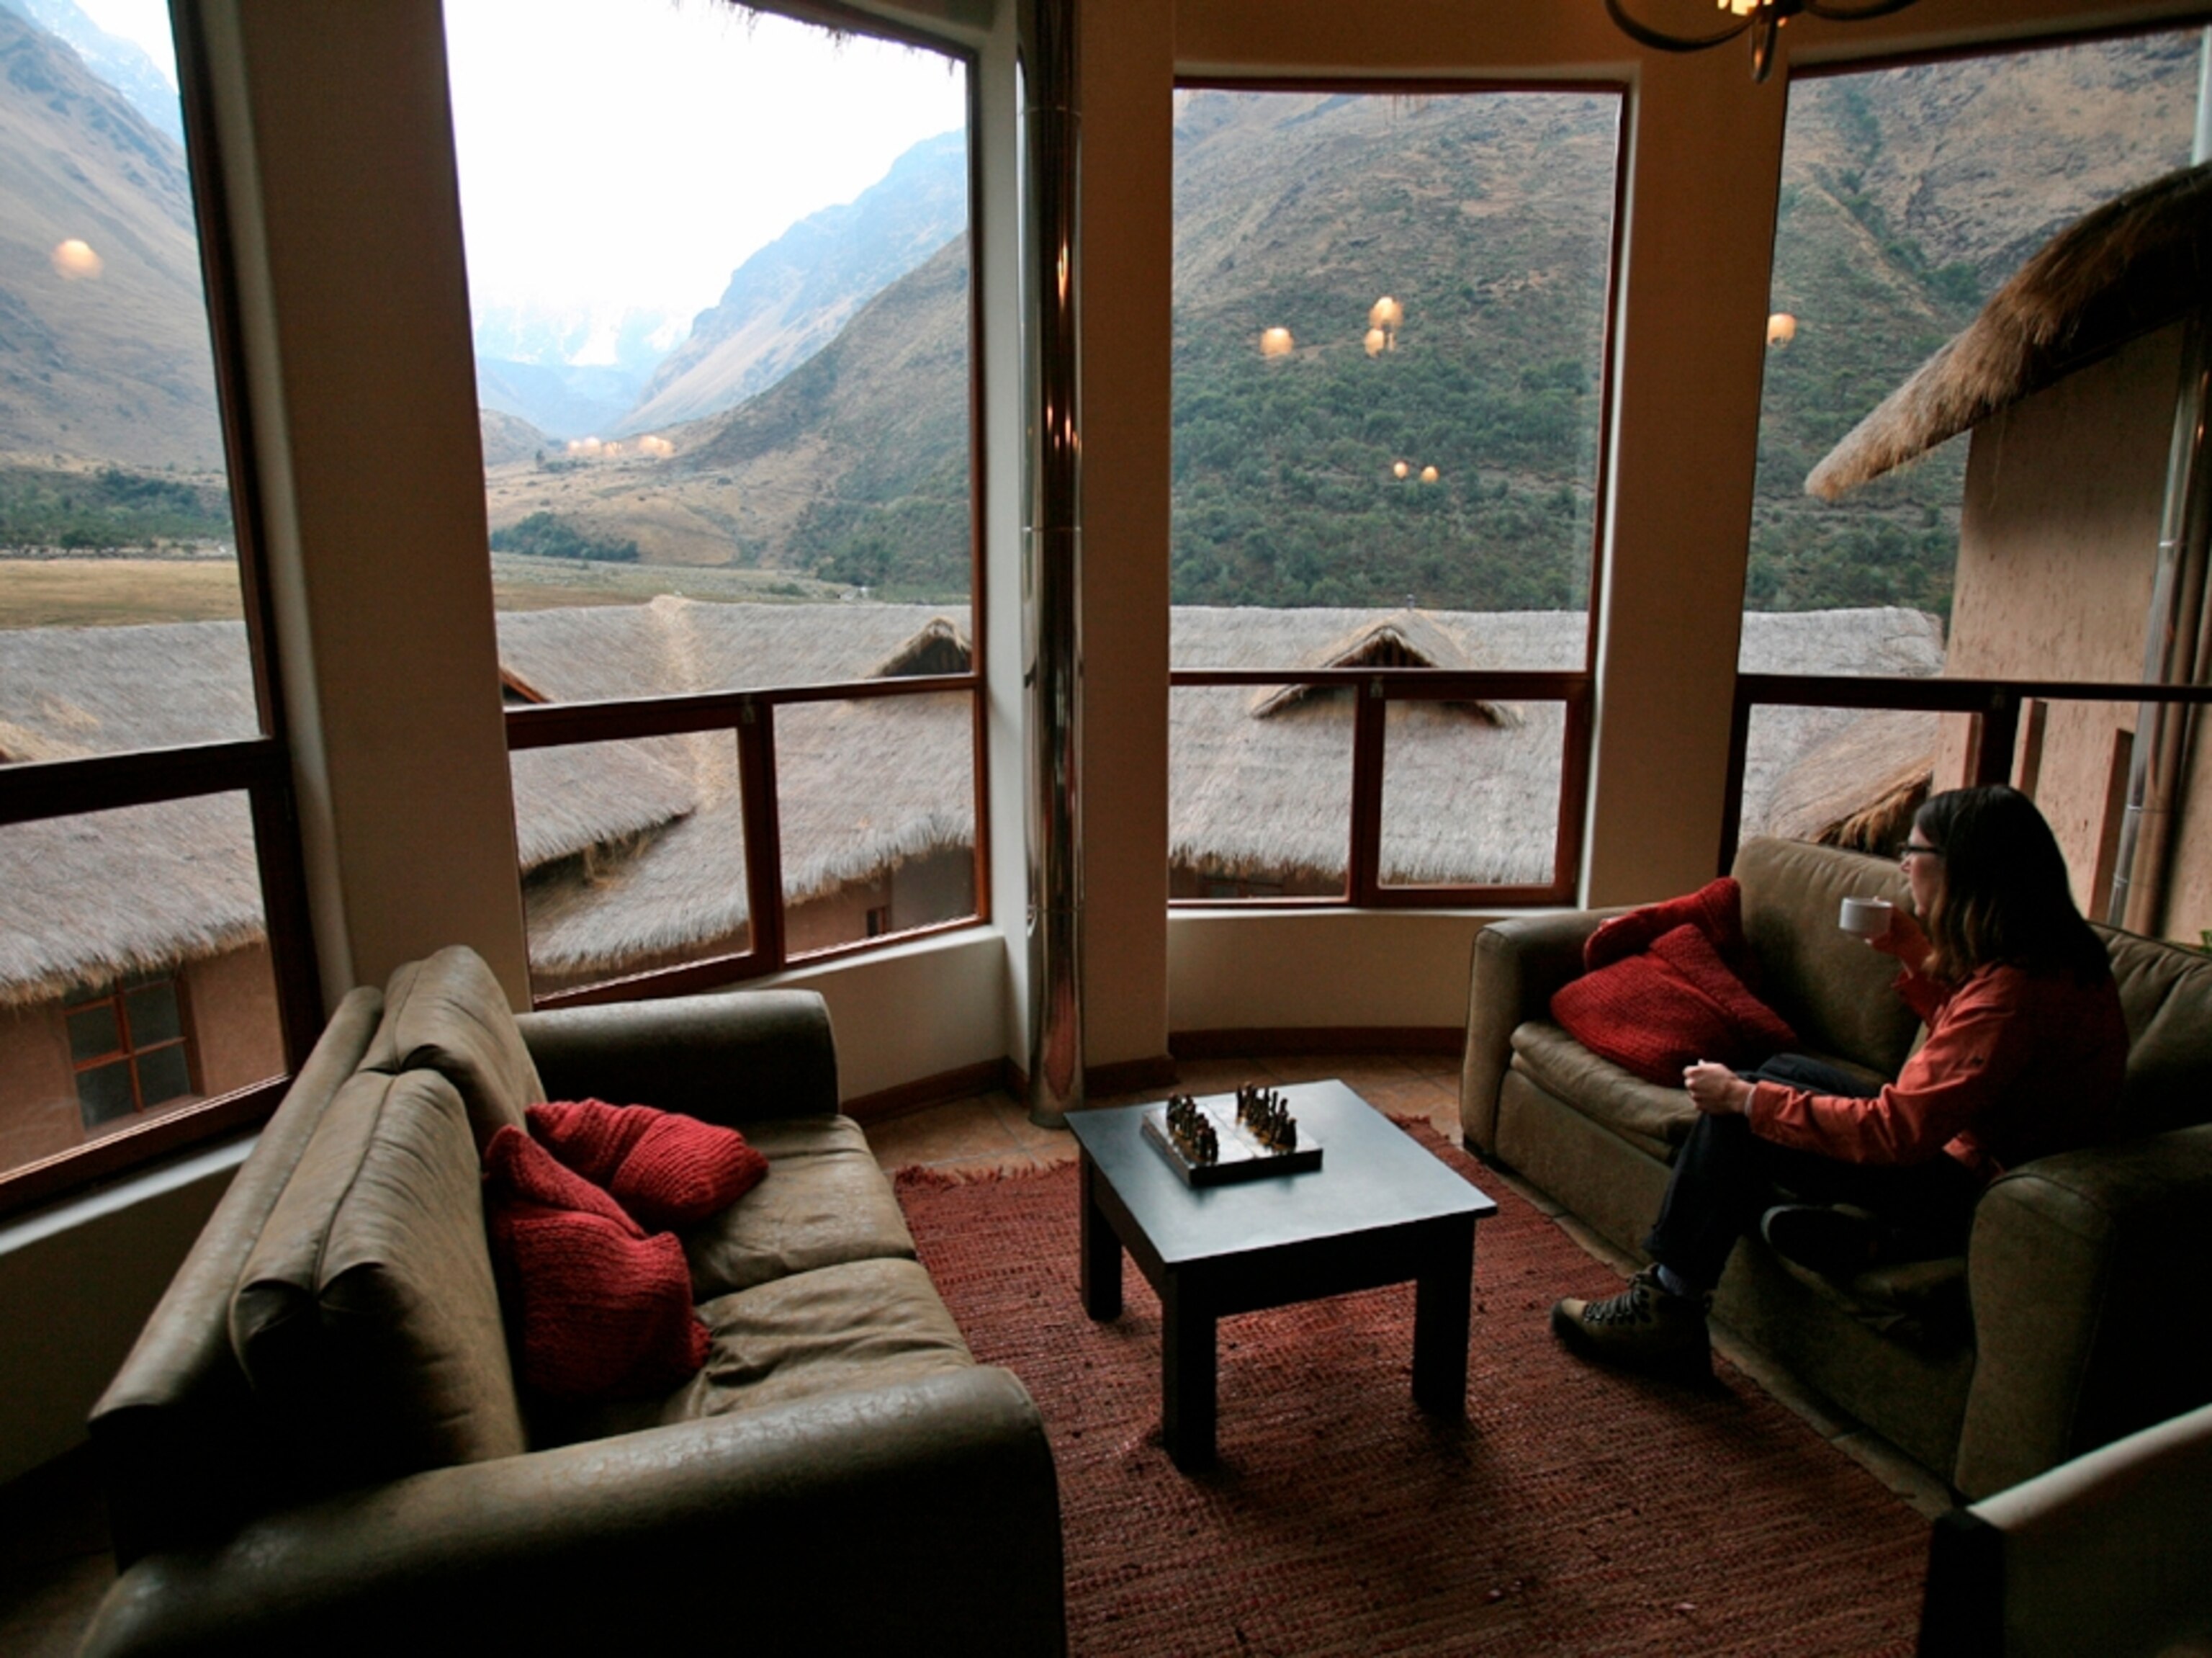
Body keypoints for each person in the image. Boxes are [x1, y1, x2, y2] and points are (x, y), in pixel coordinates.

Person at [1550, 784, 2130, 1377]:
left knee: (1739, 1111)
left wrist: (1747, 1102)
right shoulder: (2050, 958)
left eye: (1916, 850)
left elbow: (1899, 1132)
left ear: (1964, 868)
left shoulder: (2011, 995)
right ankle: (1883, 1237)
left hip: (1981, 1191)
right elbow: (1979, 1067)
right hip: (1974, 1163)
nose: (1904, 864)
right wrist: (1916, 955)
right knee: (1778, 1071)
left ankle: (1669, 1305)